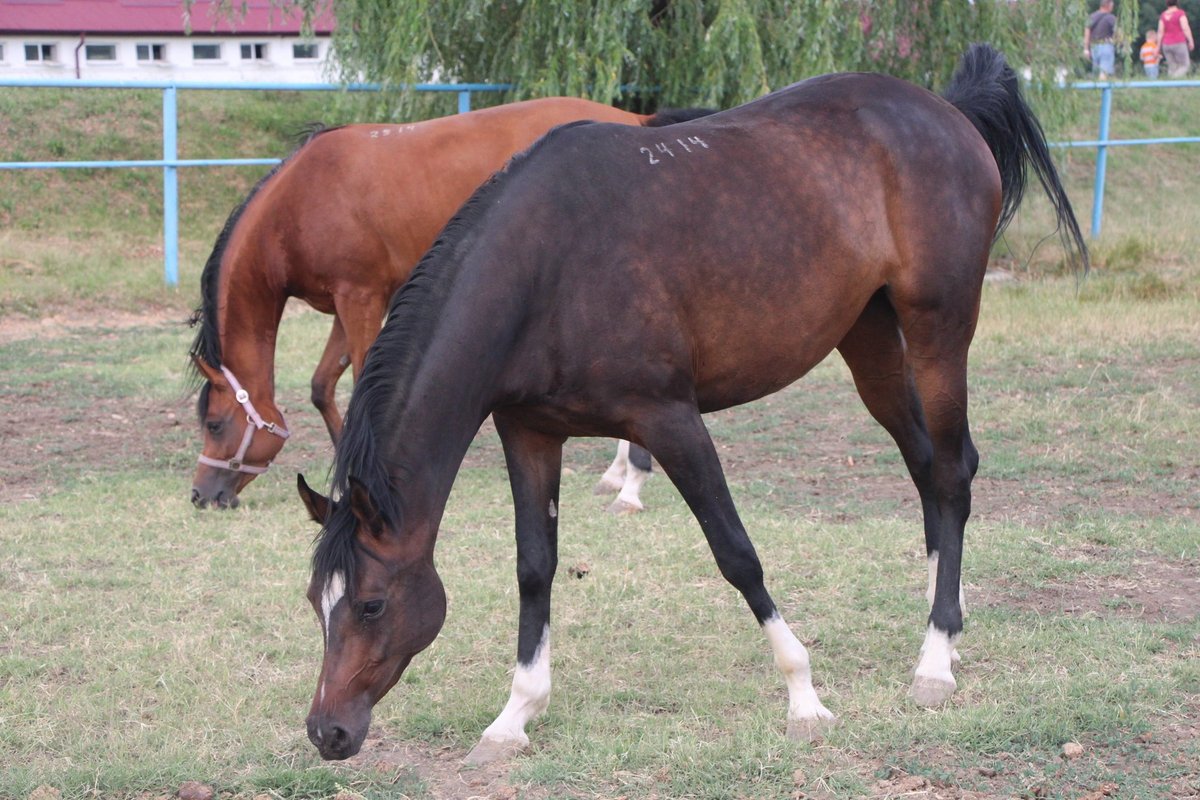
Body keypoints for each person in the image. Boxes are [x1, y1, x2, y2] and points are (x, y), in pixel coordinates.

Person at [1157, 0, 1195, 78]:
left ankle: (1170, 84)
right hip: (1179, 42)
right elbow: (1185, 28)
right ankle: (1174, 78)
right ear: (1177, 2)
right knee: (1185, 65)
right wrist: (1190, 41)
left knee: (1172, 67)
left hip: (1166, 44)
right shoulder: (1180, 13)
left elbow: (1160, 31)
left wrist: (1158, 47)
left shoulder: (1163, 15)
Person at [1084, 1, 1118, 80]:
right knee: (1104, 72)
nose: (1112, 8)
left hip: (1094, 47)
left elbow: (1087, 32)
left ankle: (1096, 90)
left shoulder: (1092, 16)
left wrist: (1086, 48)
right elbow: (1118, 31)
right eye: (1111, 5)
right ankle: (1104, 90)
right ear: (1108, 5)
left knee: (1096, 72)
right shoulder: (1110, 18)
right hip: (1106, 46)